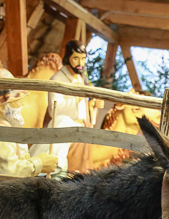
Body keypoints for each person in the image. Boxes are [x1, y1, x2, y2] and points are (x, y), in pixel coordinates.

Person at [30, 40, 104, 176]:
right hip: (66, 125)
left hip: (81, 127)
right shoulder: (57, 79)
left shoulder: (80, 78)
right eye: (76, 58)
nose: (81, 63)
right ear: (68, 57)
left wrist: (92, 105)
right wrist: (77, 97)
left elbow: (84, 105)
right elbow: (54, 109)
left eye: (83, 59)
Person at [0, 68, 58, 177]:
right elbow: (9, 171)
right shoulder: (3, 131)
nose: (21, 104)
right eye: (16, 99)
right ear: (2, 105)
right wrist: (39, 164)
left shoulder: (9, 127)